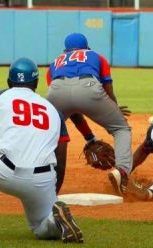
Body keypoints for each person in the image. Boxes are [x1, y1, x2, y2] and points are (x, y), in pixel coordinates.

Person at [0, 58, 82, 242]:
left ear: (9, 81)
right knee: (41, 228)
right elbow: (60, 162)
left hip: (2, 171)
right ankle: (55, 221)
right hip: (42, 180)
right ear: (36, 83)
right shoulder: (54, 110)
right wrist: (49, 196)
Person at [46, 33, 132, 196]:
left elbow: (71, 109)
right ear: (87, 47)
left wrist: (90, 138)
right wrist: (114, 108)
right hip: (89, 87)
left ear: (65, 50)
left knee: (46, 133)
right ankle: (122, 173)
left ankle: (35, 172)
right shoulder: (96, 56)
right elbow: (108, 88)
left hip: (56, 90)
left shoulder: (55, 63)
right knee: (121, 129)